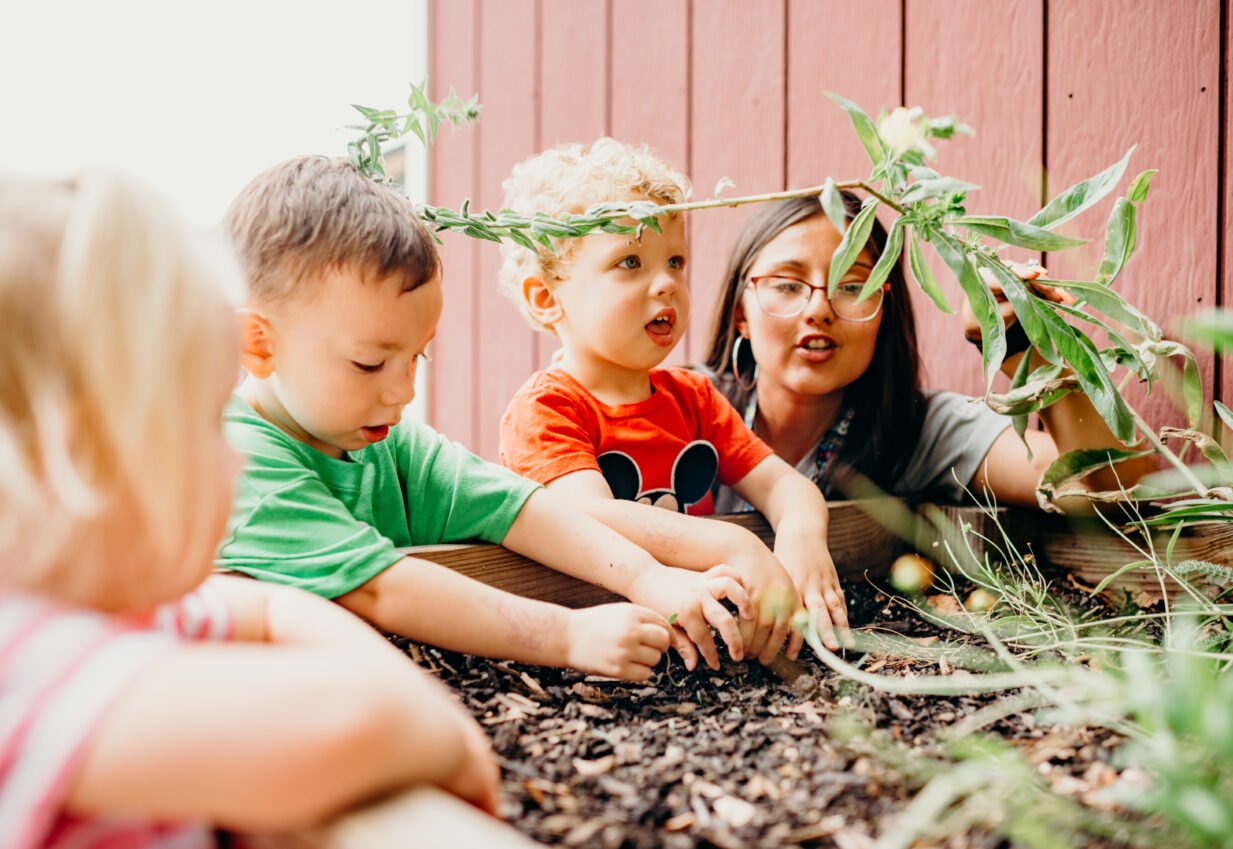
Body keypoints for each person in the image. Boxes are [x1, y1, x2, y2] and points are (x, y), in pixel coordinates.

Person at [0, 172, 503, 847]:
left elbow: (275, 608)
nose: (237, 454)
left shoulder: (118, 608)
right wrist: (447, 735)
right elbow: (347, 727)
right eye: (210, 420)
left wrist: (410, 699)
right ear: (84, 458)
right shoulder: (24, 665)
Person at [217, 154, 754, 680]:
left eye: (417, 356)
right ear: (258, 344)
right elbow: (381, 587)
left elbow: (518, 508)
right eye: (370, 363)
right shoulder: (236, 466)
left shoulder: (390, 444)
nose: (403, 391)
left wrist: (647, 579)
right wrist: (567, 635)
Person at [497, 138, 849, 661]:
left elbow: (784, 485)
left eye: (676, 260)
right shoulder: (547, 409)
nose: (666, 283)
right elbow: (589, 516)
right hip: (598, 645)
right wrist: (735, 543)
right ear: (547, 298)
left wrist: (801, 541)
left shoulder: (693, 398)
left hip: (704, 632)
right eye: (630, 261)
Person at [701, 189, 1156, 510]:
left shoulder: (916, 430)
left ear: (886, 311)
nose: (819, 309)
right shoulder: (682, 407)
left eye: (854, 285)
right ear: (741, 312)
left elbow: (1114, 488)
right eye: (787, 284)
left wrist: (1020, 346)